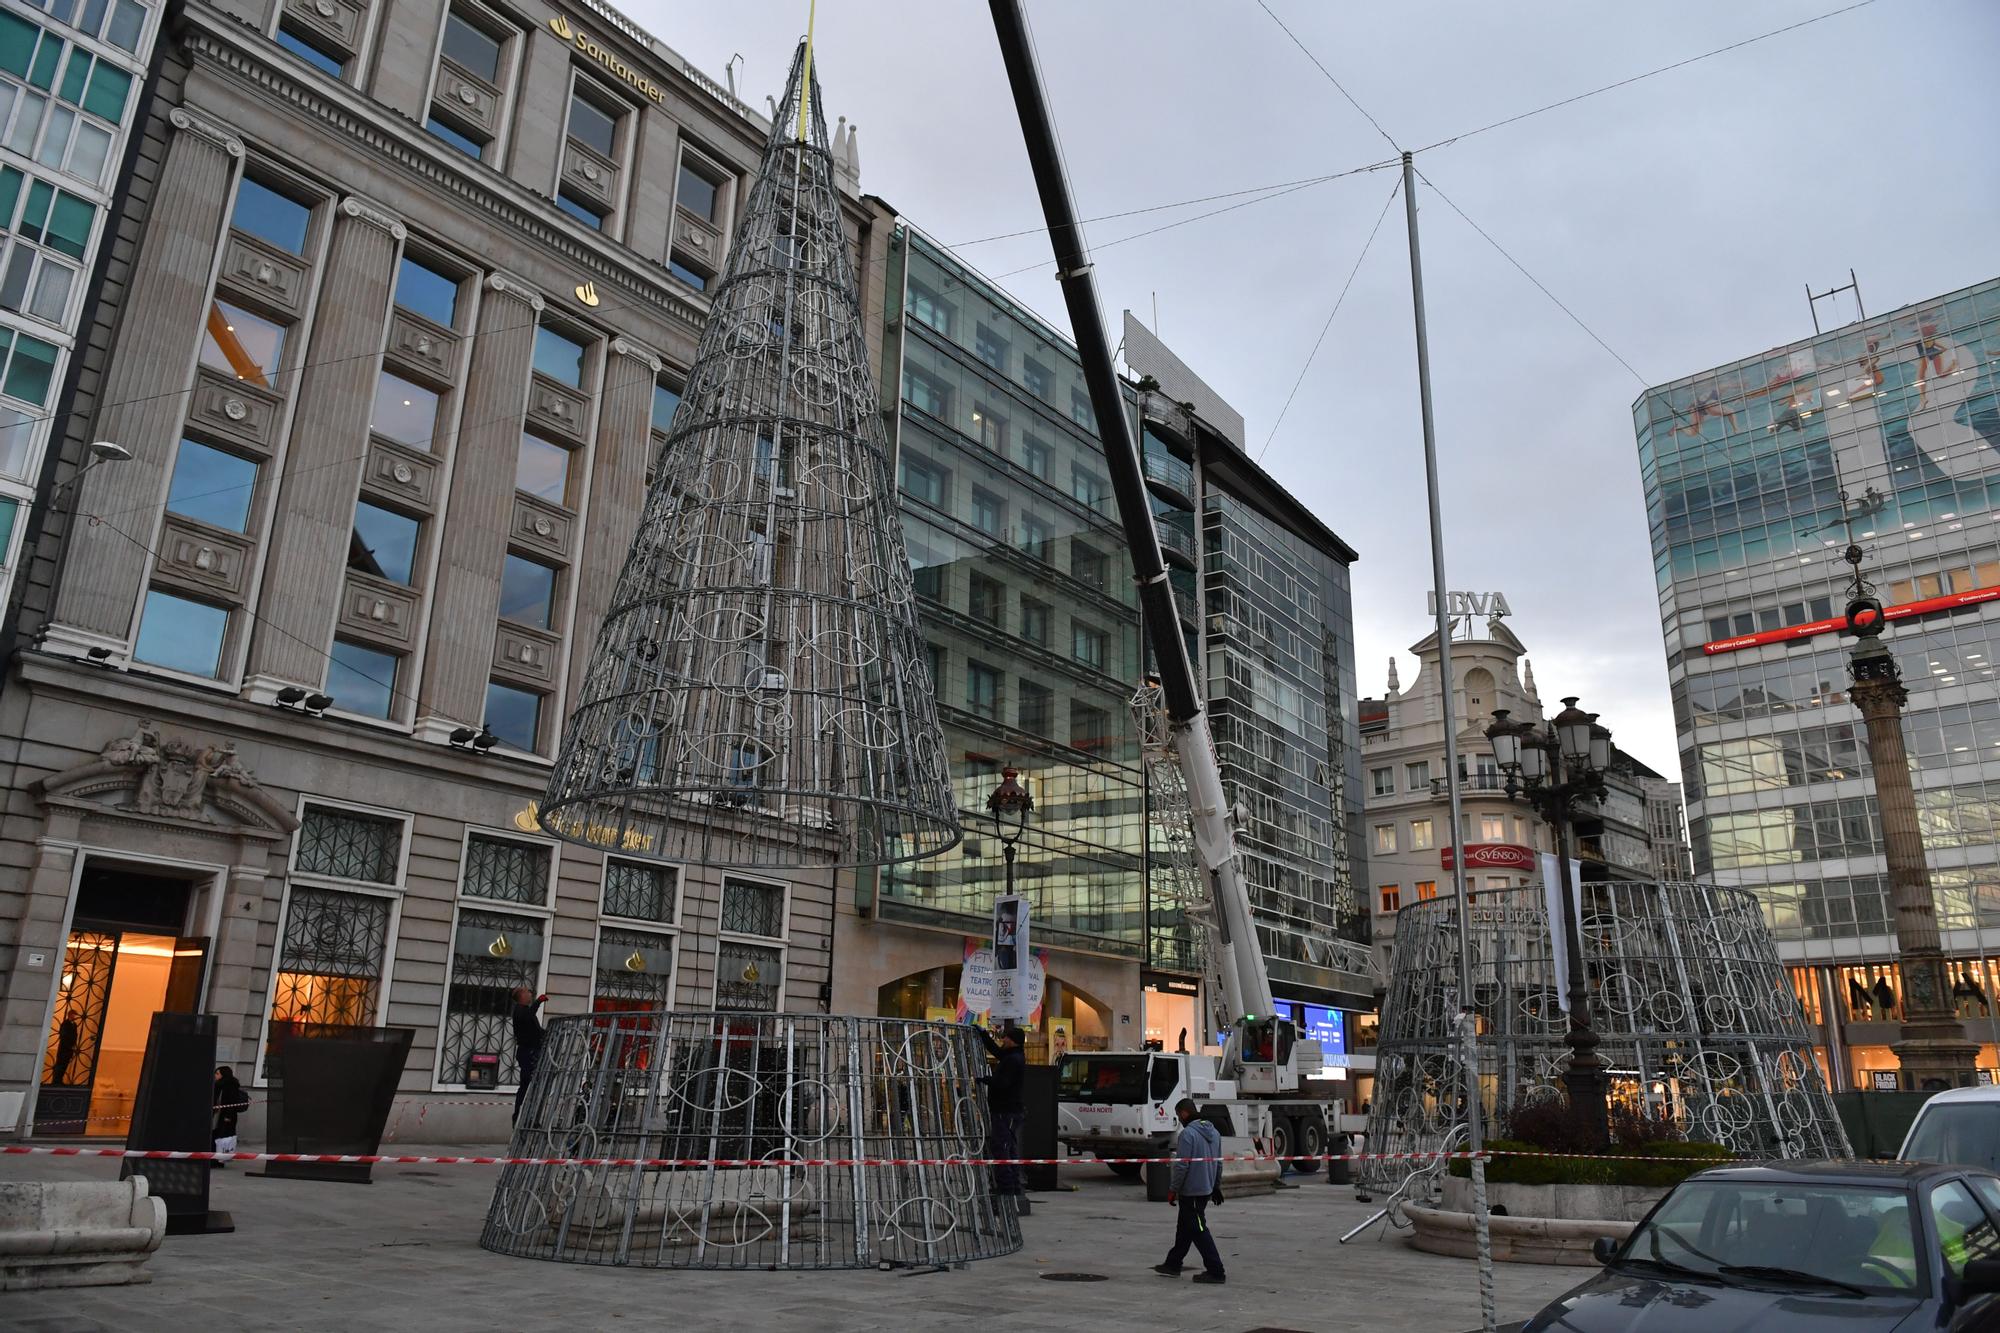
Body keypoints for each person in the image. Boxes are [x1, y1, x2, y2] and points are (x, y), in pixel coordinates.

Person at [1153, 1098, 1224, 1284]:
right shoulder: (1215, 1133)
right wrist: (1216, 1186)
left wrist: (1173, 1189)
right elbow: (1218, 1162)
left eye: (1178, 1115)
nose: (1179, 1119)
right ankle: (1173, 1264)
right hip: (1206, 1188)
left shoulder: (1187, 1135)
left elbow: (1182, 1166)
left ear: (1184, 1113)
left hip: (1191, 1191)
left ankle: (1216, 1271)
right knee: (1185, 1228)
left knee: (1199, 1229)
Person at [975, 1021, 1028, 1216]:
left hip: (1006, 1112)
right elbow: (996, 1051)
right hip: (1006, 1110)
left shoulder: (1014, 1060)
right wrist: (983, 1035)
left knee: (1003, 1148)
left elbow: (1002, 1083)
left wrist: (985, 1079)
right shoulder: (1012, 1056)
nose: (1003, 1039)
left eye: (1006, 1037)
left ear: (1012, 1041)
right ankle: (1011, 1186)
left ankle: (1007, 1188)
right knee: (1008, 1148)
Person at [511, 986, 547, 1124]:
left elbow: (535, 1030)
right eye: (527, 992)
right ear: (521, 996)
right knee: (528, 1085)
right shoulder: (520, 1011)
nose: (530, 993)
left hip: (531, 1051)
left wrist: (546, 1033)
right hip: (528, 1052)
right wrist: (538, 1002)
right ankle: (521, 1117)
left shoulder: (525, 1011)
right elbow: (527, 1018)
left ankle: (528, 1117)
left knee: (533, 1085)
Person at [212, 1065, 248, 1170]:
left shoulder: (230, 1086)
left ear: (223, 1075)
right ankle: (216, 1159)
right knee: (216, 1136)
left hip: (226, 1117)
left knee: (222, 1138)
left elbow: (231, 1103)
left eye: (217, 1073)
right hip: (218, 1115)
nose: (215, 1075)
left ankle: (219, 1160)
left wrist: (228, 1116)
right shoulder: (218, 1085)